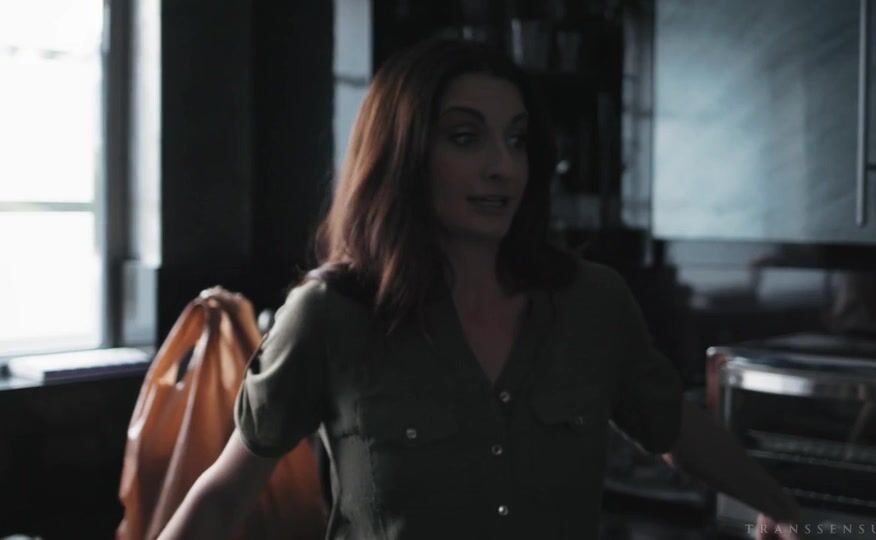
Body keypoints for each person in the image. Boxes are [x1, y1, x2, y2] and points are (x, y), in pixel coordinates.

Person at [159, 38, 801, 540]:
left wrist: (781, 507)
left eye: (516, 140)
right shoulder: (331, 316)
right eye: (466, 138)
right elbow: (224, 493)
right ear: (404, 155)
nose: (503, 166)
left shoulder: (592, 301)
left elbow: (674, 429)